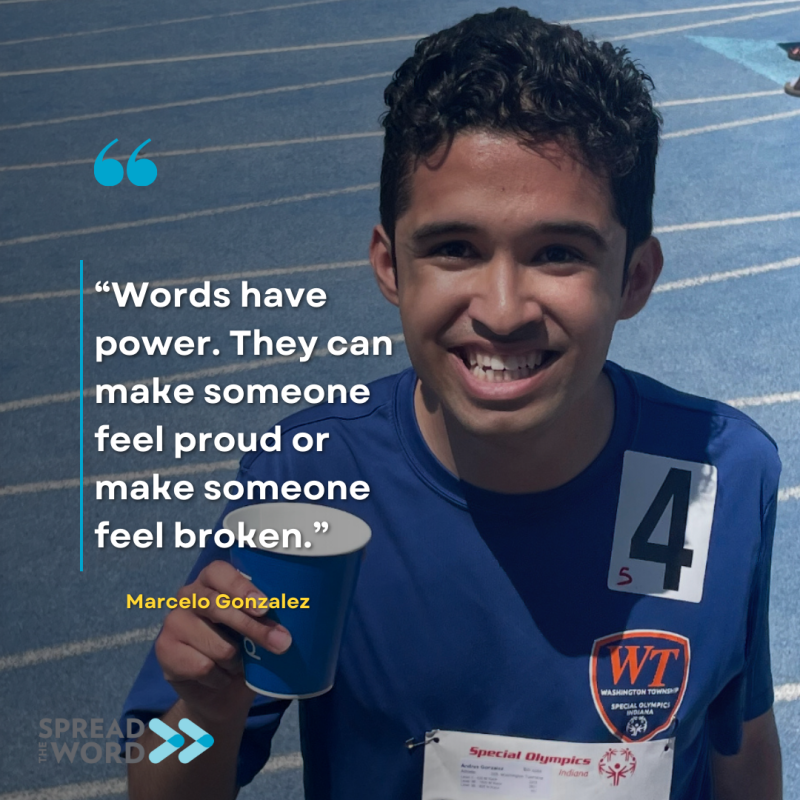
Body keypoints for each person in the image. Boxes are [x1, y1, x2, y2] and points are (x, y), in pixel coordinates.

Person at [122, 8, 783, 799]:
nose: (502, 310)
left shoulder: (717, 468)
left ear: (634, 278)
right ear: (391, 266)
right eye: (455, 249)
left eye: (558, 253)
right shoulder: (313, 475)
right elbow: (166, 778)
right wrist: (207, 709)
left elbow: (737, 730)